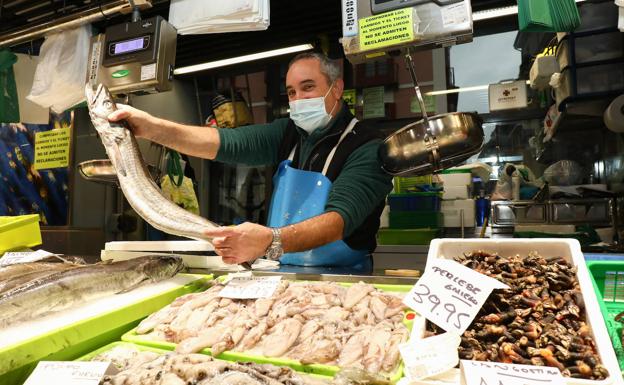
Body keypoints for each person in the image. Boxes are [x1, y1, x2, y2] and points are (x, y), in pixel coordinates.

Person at [108, 52, 393, 271]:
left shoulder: (367, 145)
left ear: (337, 88)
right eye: (292, 92)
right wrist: (150, 127)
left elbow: (338, 221)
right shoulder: (289, 133)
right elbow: (224, 143)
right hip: (282, 270)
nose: (298, 99)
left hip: (345, 277)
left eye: (308, 88)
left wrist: (271, 240)